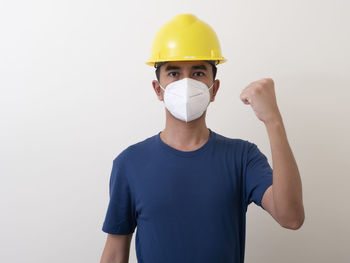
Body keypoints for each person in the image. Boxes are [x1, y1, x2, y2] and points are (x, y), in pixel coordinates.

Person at [100, 13, 304, 263]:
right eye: (174, 73)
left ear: (214, 88)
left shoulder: (242, 157)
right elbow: (114, 254)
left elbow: (291, 217)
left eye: (198, 73)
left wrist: (273, 121)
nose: (186, 84)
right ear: (158, 89)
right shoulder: (129, 163)